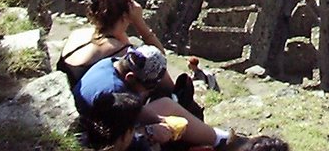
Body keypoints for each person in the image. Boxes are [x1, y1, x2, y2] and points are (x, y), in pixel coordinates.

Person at [73, 45, 237, 149]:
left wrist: (162, 120)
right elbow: (116, 136)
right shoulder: (114, 93)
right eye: (149, 86)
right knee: (167, 108)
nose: (149, 90)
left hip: (101, 122)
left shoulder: (112, 63)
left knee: (166, 110)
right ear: (130, 77)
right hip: (97, 133)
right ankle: (220, 140)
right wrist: (151, 131)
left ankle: (215, 138)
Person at [57, 0, 165, 89]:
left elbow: (117, 37)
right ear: (124, 16)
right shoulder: (119, 51)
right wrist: (139, 22)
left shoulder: (78, 34)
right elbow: (160, 61)